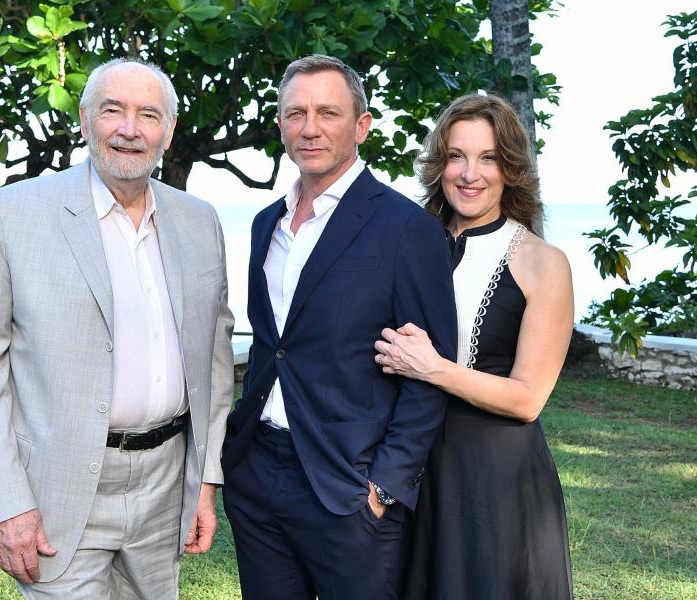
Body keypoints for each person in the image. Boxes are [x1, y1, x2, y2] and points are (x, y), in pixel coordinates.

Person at [0, 58, 234, 599]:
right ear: (84, 120)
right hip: (57, 492)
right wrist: (6, 501)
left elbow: (214, 364)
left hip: (165, 487)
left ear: (168, 132)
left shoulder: (200, 221)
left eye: (148, 115)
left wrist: (206, 481)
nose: (130, 129)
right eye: (113, 110)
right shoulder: (7, 216)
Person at [220, 54, 457, 600]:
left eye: (328, 112)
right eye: (295, 113)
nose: (310, 128)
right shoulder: (265, 224)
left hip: (348, 486)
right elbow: (270, 346)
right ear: (280, 124)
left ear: (362, 125)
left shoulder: (407, 229)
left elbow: (433, 370)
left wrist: (383, 487)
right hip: (258, 474)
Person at [373, 93, 574, 599]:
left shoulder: (541, 262)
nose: (470, 173)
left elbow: (528, 399)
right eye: (457, 156)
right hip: (410, 466)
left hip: (495, 479)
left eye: (487, 158)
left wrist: (432, 369)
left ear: (510, 168)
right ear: (439, 165)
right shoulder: (409, 244)